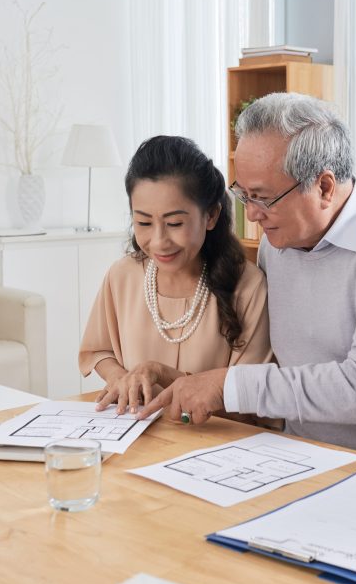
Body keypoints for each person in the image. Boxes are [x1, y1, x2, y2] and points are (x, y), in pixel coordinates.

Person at [139, 92, 356, 466]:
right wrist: (186, 381)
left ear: (324, 186)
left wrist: (225, 386)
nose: (252, 214)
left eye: (263, 198)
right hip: (310, 458)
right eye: (243, 194)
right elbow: (287, 374)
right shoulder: (278, 244)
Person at [80, 135, 273, 415]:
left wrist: (160, 373)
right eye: (143, 222)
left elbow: (249, 397)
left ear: (210, 216)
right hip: (135, 433)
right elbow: (98, 351)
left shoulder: (248, 286)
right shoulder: (122, 275)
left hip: (218, 442)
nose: (159, 241)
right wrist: (122, 380)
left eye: (174, 223)